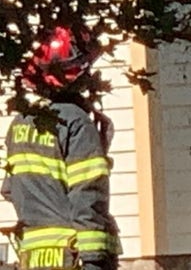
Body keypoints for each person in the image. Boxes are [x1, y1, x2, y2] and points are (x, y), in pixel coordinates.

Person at [2, 26, 121, 270]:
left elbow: (10, 189)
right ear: (77, 75)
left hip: (33, 258)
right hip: (75, 256)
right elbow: (88, 192)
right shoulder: (76, 122)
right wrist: (93, 259)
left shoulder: (20, 124)